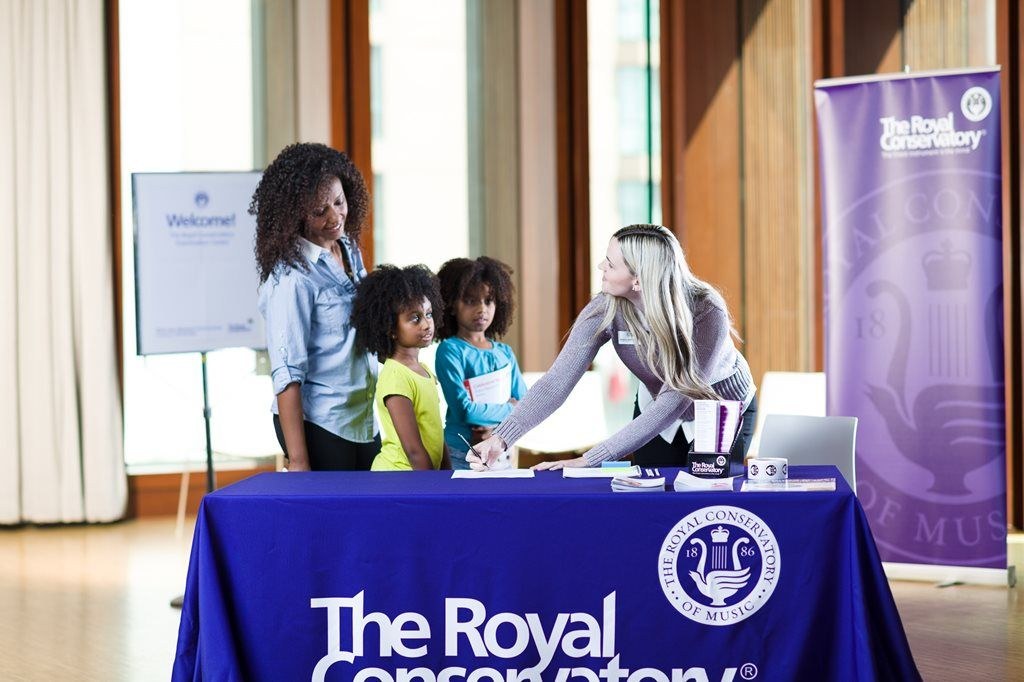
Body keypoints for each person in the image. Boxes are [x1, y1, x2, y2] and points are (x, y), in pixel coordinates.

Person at [470, 224, 757, 470]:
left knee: (704, 505)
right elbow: (557, 382)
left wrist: (591, 459)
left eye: (610, 263)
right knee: (651, 503)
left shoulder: (706, 311)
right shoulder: (607, 308)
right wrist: (501, 438)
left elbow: (676, 398)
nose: (601, 267)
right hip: (657, 408)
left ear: (639, 278)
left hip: (720, 412)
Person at [252, 142, 379, 471]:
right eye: (319, 211)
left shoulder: (347, 247)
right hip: (320, 424)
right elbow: (287, 374)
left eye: (339, 202)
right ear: (294, 215)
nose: (335, 216)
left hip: (362, 418)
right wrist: (299, 461)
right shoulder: (290, 278)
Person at [351, 264, 451, 471]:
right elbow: (413, 450)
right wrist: (435, 488)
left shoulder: (423, 369)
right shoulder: (396, 376)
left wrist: (448, 474)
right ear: (391, 329)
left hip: (422, 478)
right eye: (415, 318)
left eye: (429, 314)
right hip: (398, 478)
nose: (426, 325)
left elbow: (435, 432)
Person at [435, 257, 528, 470]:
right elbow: (465, 411)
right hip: (462, 453)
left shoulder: (504, 352)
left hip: (502, 451)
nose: (481, 309)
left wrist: (496, 431)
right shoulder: (450, 350)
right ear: (451, 305)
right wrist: (508, 409)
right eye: (470, 301)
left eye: (488, 301)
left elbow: (525, 405)